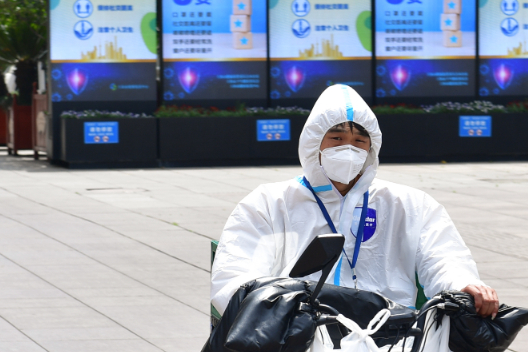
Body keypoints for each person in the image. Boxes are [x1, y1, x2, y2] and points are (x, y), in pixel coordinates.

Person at [211, 84, 499, 318]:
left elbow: (443, 256)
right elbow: (236, 273)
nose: (348, 149)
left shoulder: (407, 204)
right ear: (314, 144)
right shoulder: (269, 202)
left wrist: (464, 285)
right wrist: (269, 313)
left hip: (386, 334)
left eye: (359, 142)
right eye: (336, 138)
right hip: (296, 337)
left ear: (372, 149)